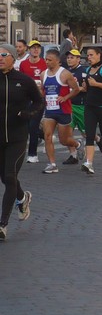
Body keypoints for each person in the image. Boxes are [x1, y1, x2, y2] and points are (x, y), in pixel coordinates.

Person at [0, 44, 44, 240]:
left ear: (12, 58)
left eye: (4, 54)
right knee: (4, 177)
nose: (0, 58)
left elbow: (39, 102)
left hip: (17, 137)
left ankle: (2, 224)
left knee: (9, 177)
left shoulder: (24, 81)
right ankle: (22, 197)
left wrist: (29, 114)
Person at [39, 49, 84, 173]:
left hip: (63, 110)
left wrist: (65, 97)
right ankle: (52, 164)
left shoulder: (65, 74)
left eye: (49, 60)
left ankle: (78, 144)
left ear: (58, 61)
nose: (47, 62)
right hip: (50, 111)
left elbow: (75, 89)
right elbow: (44, 90)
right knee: (47, 136)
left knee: (64, 140)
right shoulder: (43, 74)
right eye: (46, 60)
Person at [62, 49, 102, 165]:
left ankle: (98, 139)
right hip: (69, 105)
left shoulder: (83, 71)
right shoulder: (65, 72)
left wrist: (80, 89)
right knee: (67, 133)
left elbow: (87, 88)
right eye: (68, 58)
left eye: (72, 57)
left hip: (81, 105)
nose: (69, 60)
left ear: (78, 59)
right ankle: (73, 155)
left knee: (86, 133)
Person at [19, 40, 47, 164]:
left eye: (38, 48)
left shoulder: (44, 63)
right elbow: (21, 80)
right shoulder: (23, 64)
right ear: (28, 49)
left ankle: (32, 154)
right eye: (33, 48)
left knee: (33, 125)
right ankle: (44, 135)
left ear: (40, 50)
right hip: (26, 98)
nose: (35, 50)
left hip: (39, 99)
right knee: (27, 125)